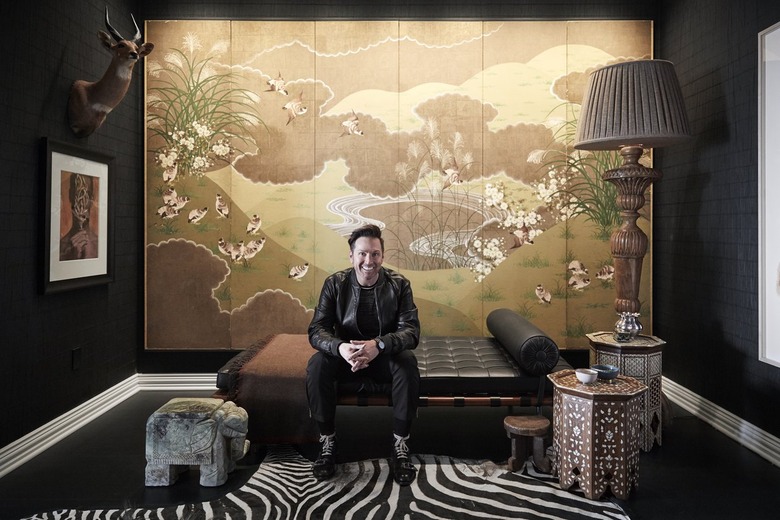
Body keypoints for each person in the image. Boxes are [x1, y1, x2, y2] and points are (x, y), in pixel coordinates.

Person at [306, 224, 421, 485]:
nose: (369, 261)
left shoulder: (400, 285)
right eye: (362, 254)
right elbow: (317, 330)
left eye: (375, 254)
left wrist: (377, 345)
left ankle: (400, 445)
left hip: (384, 356)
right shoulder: (334, 284)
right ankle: (327, 443)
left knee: (407, 364)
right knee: (317, 365)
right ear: (351, 256)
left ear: (382, 255)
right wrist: (341, 348)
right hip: (347, 357)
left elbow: (411, 332)